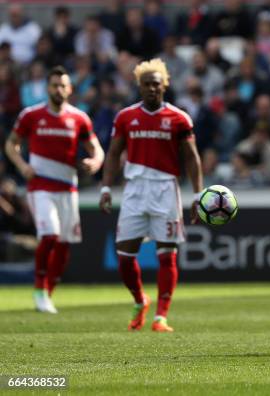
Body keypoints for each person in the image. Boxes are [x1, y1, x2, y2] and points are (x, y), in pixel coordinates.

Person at [99, 59, 203, 332]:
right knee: (124, 257)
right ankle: (140, 299)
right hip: (134, 190)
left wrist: (198, 195)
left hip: (166, 190)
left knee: (167, 255)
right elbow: (112, 154)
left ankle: (161, 317)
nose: (152, 89)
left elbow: (192, 158)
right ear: (139, 86)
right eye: (147, 84)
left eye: (156, 84)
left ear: (164, 85)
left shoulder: (179, 118)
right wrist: (106, 188)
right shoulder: (125, 117)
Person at [4, 66, 105, 313]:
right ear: (47, 88)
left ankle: (47, 293)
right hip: (40, 186)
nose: (58, 89)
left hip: (68, 187)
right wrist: (22, 166)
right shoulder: (31, 115)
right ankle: (39, 290)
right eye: (54, 85)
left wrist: (95, 162)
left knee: (63, 245)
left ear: (70, 89)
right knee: (49, 235)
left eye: (62, 85)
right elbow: (11, 144)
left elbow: (97, 149)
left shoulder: (79, 118)